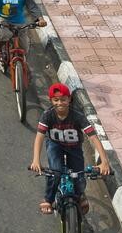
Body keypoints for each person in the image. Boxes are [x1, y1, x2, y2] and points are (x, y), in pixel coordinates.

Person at [31, 83, 111, 215]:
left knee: (79, 176)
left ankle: (80, 195)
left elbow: (93, 137)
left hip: (74, 147)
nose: (60, 103)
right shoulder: (47, 115)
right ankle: (48, 199)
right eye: (56, 100)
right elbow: (39, 137)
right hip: (54, 145)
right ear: (51, 101)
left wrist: (104, 162)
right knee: (55, 172)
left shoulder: (77, 116)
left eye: (63, 99)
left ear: (69, 99)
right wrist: (36, 160)